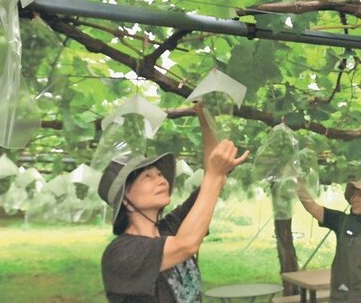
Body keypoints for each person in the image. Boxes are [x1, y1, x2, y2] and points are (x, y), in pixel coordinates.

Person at [98, 103, 249, 302]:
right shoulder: (120, 254)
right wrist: (214, 175)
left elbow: (214, 180)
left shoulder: (169, 228)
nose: (162, 180)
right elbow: (185, 245)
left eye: (160, 174)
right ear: (125, 199)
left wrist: (203, 114)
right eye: (148, 177)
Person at [296, 176, 361, 303]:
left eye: (360, 195)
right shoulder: (341, 221)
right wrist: (296, 183)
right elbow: (313, 208)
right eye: (353, 195)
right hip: (340, 298)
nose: (354, 199)